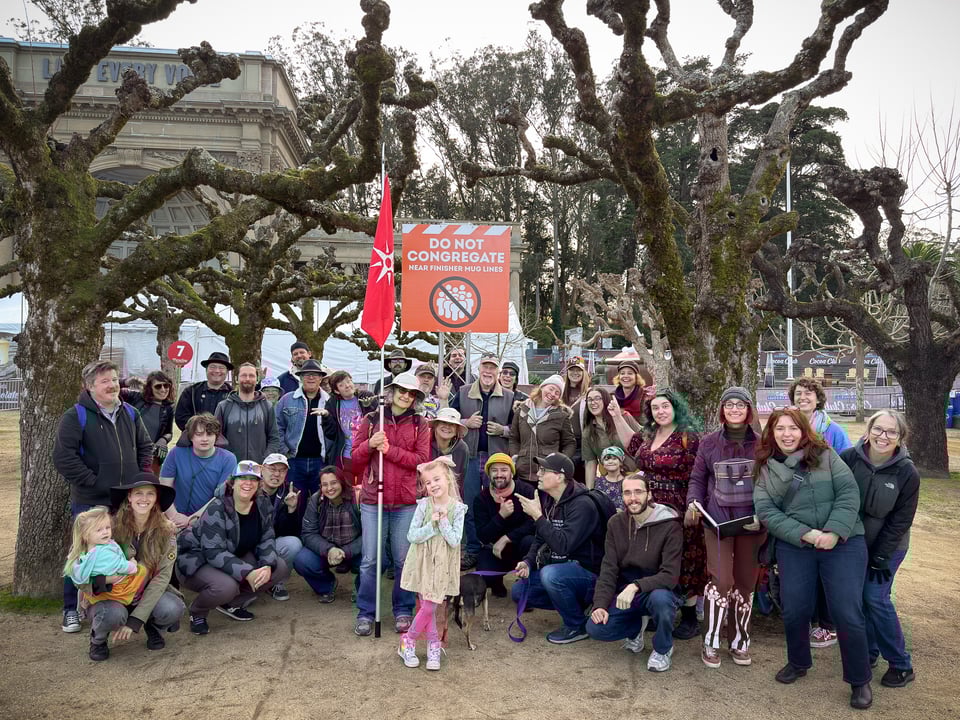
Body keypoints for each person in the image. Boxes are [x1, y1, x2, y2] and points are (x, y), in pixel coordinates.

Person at [753, 407, 872, 710]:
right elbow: (767, 512)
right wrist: (806, 534)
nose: (787, 434)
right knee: (795, 608)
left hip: (843, 540)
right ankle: (798, 661)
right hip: (797, 544)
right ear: (772, 433)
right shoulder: (765, 468)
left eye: (793, 428)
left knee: (846, 610)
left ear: (804, 430)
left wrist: (832, 532)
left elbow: (848, 493)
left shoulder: (827, 455)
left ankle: (859, 679)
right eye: (780, 428)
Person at [54, 359, 153, 633]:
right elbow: (64, 458)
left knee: (121, 550)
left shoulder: (131, 413)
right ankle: (71, 609)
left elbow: (145, 447)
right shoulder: (76, 416)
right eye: (105, 381)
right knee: (82, 555)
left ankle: (117, 600)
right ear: (89, 387)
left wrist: (140, 479)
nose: (112, 385)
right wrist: (95, 483)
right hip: (90, 501)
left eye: (114, 379)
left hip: (125, 500)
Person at [612, 387, 704, 640]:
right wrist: (617, 417)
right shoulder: (649, 435)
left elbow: (699, 474)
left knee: (686, 560)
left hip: (680, 507)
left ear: (675, 408)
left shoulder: (689, 437)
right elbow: (631, 446)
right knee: (654, 557)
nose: (660, 411)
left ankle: (688, 617)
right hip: (650, 507)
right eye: (655, 408)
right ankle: (659, 608)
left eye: (665, 406)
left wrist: (692, 505)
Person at [687, 386, 765, 668]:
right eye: (729, 404)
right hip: (717, 522)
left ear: (748, 410)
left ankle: (740, 640)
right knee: (720, 580)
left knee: (746, 581)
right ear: (722, 409)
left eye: (740, 405)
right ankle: (711, 640)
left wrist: (764, 515)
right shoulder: (708, 443)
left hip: (752, 523)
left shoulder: (762, 443)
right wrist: (694, 502)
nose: (734, 409)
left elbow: (771, 482)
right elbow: (697, 477)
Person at [840, 410, 919, 689]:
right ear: (868, 430)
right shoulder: (849, 458)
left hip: (889, 547)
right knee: (859, 599)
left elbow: (901, 520)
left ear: (900, 438)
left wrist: (881, 556)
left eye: (891, 432)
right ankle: (869, 651)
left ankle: (901, 664)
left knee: (875, 598)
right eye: (879, 429)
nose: (883, 436)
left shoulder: (907, 472)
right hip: (853, 544)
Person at [351, 372, 431, 637]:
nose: (406, 396)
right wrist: (370, 445)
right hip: (374, 499)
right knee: (371, 559)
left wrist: (390, 451)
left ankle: (403, 609)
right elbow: (355, 459)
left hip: (406, 501)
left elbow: (421, 459)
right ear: (392, 390)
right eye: (402, 391)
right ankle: (366, 612)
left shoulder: (421, 423)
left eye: (411, 393)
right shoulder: (372, 419)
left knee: (403, 559)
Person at [73, 475, 184, 660]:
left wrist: (135, 620)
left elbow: (162, 578)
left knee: (172, 608)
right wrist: (105, 580)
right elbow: (79, 567)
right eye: (139, 493)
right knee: (111, 614)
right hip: (110, 593)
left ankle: (151, 624)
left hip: (146, 590)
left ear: (156, 498)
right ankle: (98, 639)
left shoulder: (167, 532)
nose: (144, 499)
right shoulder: (109, 526)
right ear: (129, 497)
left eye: (150, 494)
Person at [177, 461, 290, 635]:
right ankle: (198, 611)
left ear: (259, 483)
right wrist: (247, 572)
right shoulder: (217, 507)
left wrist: (267, 564)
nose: (248, 483)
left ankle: (231, 603)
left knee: (278, 567)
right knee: (226, 587)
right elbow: (213, 552)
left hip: (232, 554)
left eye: (253, 479)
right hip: (197, 560)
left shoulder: (262, 503)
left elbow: (267, 537)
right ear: (232, 482)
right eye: (242, 478)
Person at [586, 473, 683, 672]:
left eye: (638, 492)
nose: (633, 498)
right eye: (627, 493)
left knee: (662, 601)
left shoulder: (670, 525)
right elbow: (609, 568)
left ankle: (663, 648)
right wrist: (600, 605)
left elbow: (670, 575)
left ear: (649, 494)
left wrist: (636, 586)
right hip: (627, 593)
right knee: (596, 628)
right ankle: (636, 627)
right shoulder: (615, 523)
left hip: (658, 589)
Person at [513, 452, 605, 644]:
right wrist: (529, 562)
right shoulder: (550, 499)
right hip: (562, 570)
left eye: (543, 470)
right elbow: (540, 537)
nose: (538, 473)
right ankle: (575, 605)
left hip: (588, 574)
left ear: (560, 476)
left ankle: (576, 625)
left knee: (550, 575)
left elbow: (563, 546)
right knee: (518, 592)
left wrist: (537, 516)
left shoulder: (582, 505)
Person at [788, 376, 852, 648]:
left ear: (818, 398)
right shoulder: (788, 425)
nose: (803, 397)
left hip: (826, 505)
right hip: (797, 506)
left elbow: (848, 463)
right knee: (804, 570)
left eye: (808, 394)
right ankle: (809, 621)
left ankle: (829, 625)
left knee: (828, 569)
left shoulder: (832, 429)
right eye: (799, 393)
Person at [445, 352, 515, 570]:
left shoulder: (511, 396)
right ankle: (474, 549)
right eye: (485, 366)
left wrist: (503, 430)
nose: (488, 371)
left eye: (493, 367)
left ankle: (498, 548)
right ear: (479, 368)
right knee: (472, 504)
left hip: (497, 459)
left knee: (500, 504)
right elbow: (448, 421)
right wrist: (466, 422)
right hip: (471, 457)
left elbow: (518, 430)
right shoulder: (463, 392)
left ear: (498, 371)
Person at [397, 457, 468, 671]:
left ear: (447, 478)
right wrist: (432, 524)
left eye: (436, 479)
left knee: (430, 606)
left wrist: (444, 521)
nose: (433, 485)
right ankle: (428, 644)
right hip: (423, 561)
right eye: (428, 482)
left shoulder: (458, 509)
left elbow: (455, 540)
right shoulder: (423, 506)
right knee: (427, 607)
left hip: (443, 565)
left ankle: (410, 641)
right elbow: (412, 535)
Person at [294, 466, 362, 603]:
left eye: (334, 482)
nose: (329, 488)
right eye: (325, 484)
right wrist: (329, 549)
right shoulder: (316, 500)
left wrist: (346, 551)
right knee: (302, 560)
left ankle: (362, 589)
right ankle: (326, 586)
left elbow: (370, 534)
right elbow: (308, 533)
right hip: (328, 551)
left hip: (355, 550)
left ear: (342, 482)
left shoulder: (358, 497)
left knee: (380, 558)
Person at [472, 452, 536, 597]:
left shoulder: (526, 491)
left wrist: (506, 538)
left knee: (530, 542)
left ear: (511, 473)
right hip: (495, 550)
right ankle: (496, 583)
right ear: (488, 474)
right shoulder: (481, 499)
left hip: (521, 546)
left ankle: (526, 590)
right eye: (494, 470)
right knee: (485, 572)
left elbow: (533, 524)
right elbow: (482, 535)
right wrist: (501, 516)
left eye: (504, 470)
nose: (499, 474)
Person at [160, 413, 237, 529]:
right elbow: (164, 487)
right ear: (190, 436)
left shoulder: (228, 459)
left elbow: (220, 496)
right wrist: (174, 516)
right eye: (199, 434)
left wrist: (192, 520)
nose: (205, 439)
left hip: (209, 519)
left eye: (210, 434)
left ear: (216, 436)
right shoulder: (176, 453)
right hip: (174, 519)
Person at [276, 359, 330, 509]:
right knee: (294, 501)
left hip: (320, 461)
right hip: (294, 461)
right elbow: (277, 426)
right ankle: (295, 532)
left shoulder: (329, 401)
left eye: (315, 375)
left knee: (320, 503)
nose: (311, 378)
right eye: (306, 374)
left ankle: (316, 532)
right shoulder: (287, 399)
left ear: (320, 378)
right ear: (300, 377)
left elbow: (335, 431)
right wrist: (284, 451)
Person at [509, 374, 575, 484]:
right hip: (523, 472)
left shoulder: (561, 416)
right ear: (542, 387)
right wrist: (516, 457)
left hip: (548, 474)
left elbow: (570, 443)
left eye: (557, 393)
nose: (552, 394)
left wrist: (560, 461)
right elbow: (514, 438)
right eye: (551, 388)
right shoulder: (521, 410)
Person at [214, 362, 280, 463]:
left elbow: (274, 438)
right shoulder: (224, 406)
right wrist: (226, 461)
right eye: (244, 375)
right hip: (231, 466)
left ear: (257, 379)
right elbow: (217, 438)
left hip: (259, 467)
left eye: (251, 375)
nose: (247, 379)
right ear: (236, 379)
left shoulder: (266, 406)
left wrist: (266, 459)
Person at [258, 453, 302, 601]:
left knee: (294, 544)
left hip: (272, 541)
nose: (277, 474)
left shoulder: (290, 492)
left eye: (282, 470)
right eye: (272, 468)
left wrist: (291, 510)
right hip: (249, 543)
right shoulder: (250, 486)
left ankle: (278, 583)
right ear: (262, 469)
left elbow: (292, 532)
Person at [323, 370, 376, 490]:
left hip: (366, 454)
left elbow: (377, 424)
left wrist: (369, 406)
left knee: (367, 490)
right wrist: (326, 417)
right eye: (341, 385)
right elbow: (331, 434)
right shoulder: (332, 403)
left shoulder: (365, 396)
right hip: (345, 456)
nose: (347, 385)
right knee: (347, 491)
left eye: (348, 381)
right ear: (336, 390)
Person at [122, 370, 174, 474]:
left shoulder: (168, 408)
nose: (163, 389)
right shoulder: (135, 398)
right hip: (127, 453)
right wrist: (125, 382)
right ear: (150, 387)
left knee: (149, 486)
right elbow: (109, 390)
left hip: (150, 456)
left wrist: (163, 440)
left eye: (166, 386)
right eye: (158, 386)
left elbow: (169, 432)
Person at [174, 351, 233, 431]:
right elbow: (181, 417)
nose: (217, 371)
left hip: (225, 441)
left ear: (227, 371)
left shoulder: (233, 395)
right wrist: (200, 432)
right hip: (195, 440)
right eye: (212, 367)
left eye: (221, 368)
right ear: (206, 369)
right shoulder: (191, 392)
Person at [581, 387, 628, 486]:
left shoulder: (623, 417)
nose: (593, 402)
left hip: (633, 476)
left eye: (597, 398)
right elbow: (590, 463)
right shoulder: (588, 432)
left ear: (606, 400)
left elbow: (642, 441)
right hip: (609, 483)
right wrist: (590, 491)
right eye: (589, 400)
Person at [428, 408, 469, 496]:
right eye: (443, 422)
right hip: (424, 497)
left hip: (450, 498)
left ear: (457, 430)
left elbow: (460, 480)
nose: (447, 427)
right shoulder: (424, 444)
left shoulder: (462, 449)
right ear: (436, 425)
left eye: (452, 424)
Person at [612, 360, 651, 428]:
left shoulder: (644, 396)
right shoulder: (613, 396)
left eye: (630, 373)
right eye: (622, 373)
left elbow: (647, 423)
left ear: (636, 377)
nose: (625, 376)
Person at [594, 446, 629, 511]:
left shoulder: (628, 480)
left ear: (621, 462)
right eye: (606, 459)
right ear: (603, 464)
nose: (610, 461)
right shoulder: (598, 482)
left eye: (614, 458)